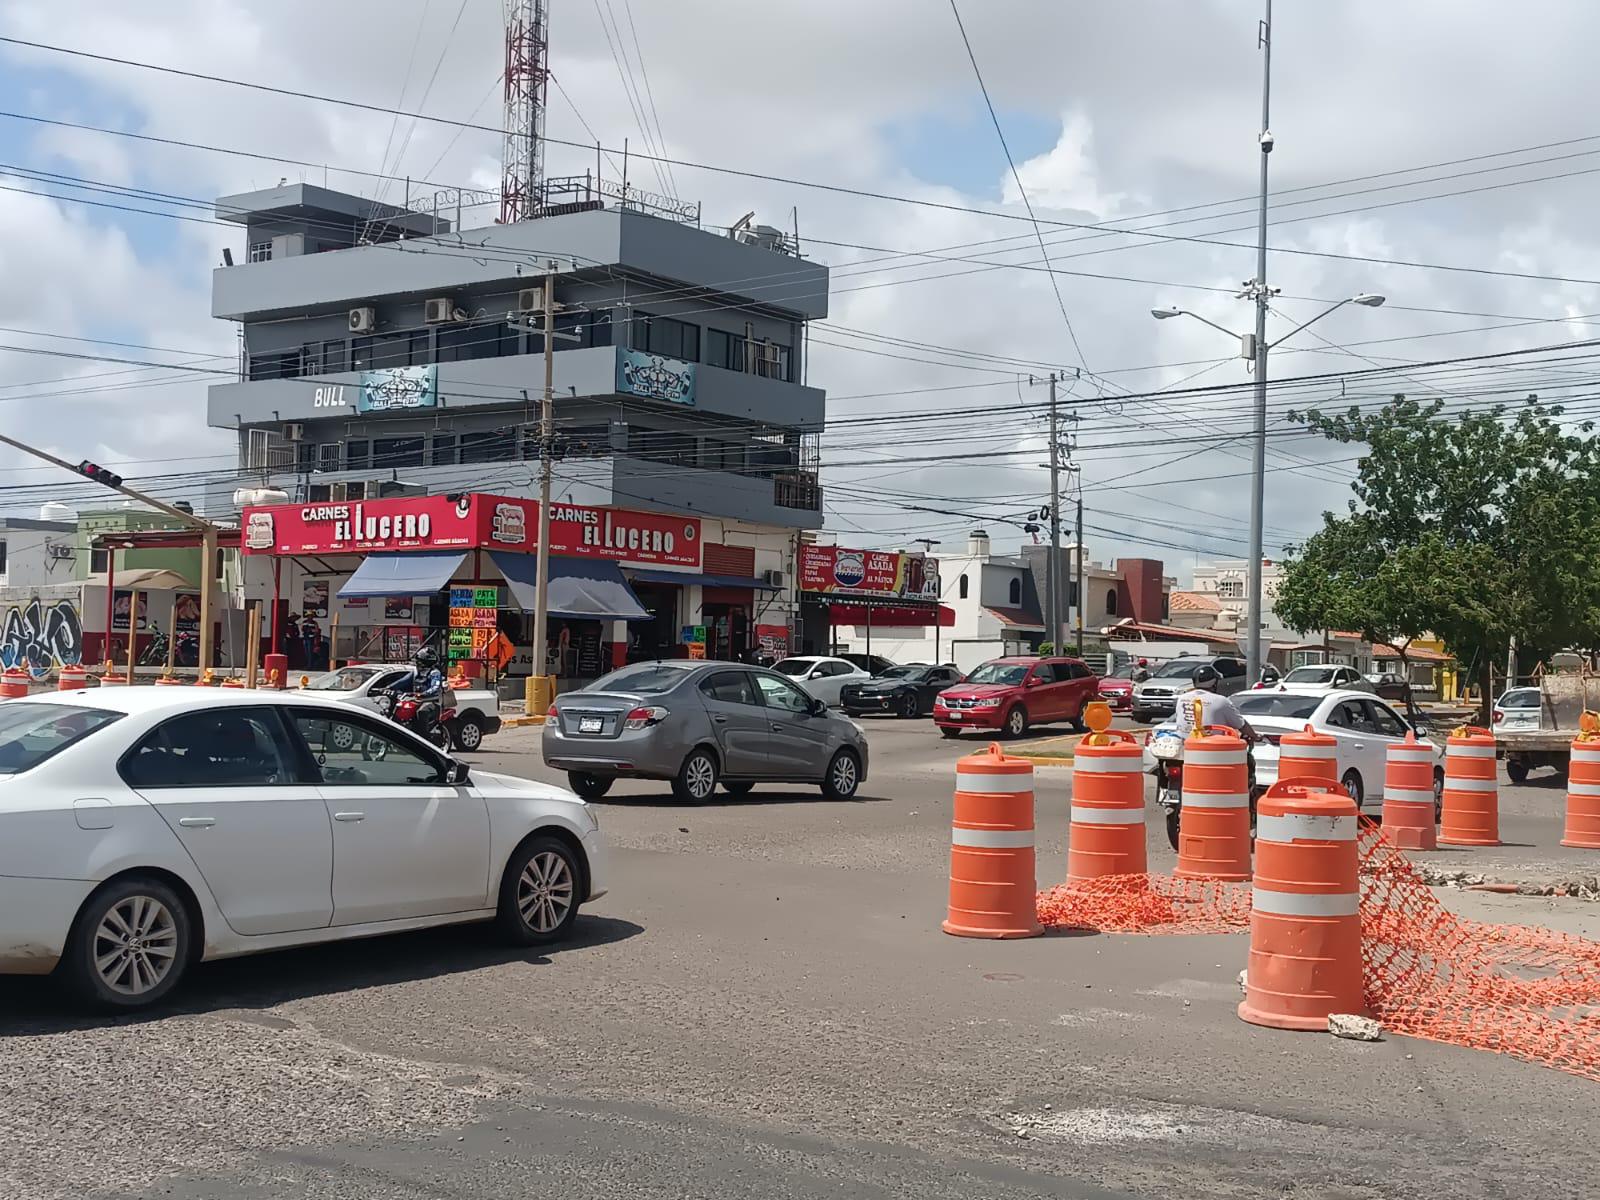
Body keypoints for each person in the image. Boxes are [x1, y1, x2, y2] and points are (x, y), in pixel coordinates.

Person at [1173, 664, 1257, 741]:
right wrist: (1255, 736)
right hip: (1211, 747)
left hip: (1184, 746)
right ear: (1214, 683)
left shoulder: (1182, 698)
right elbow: (1242, 725)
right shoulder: (1221, 701)